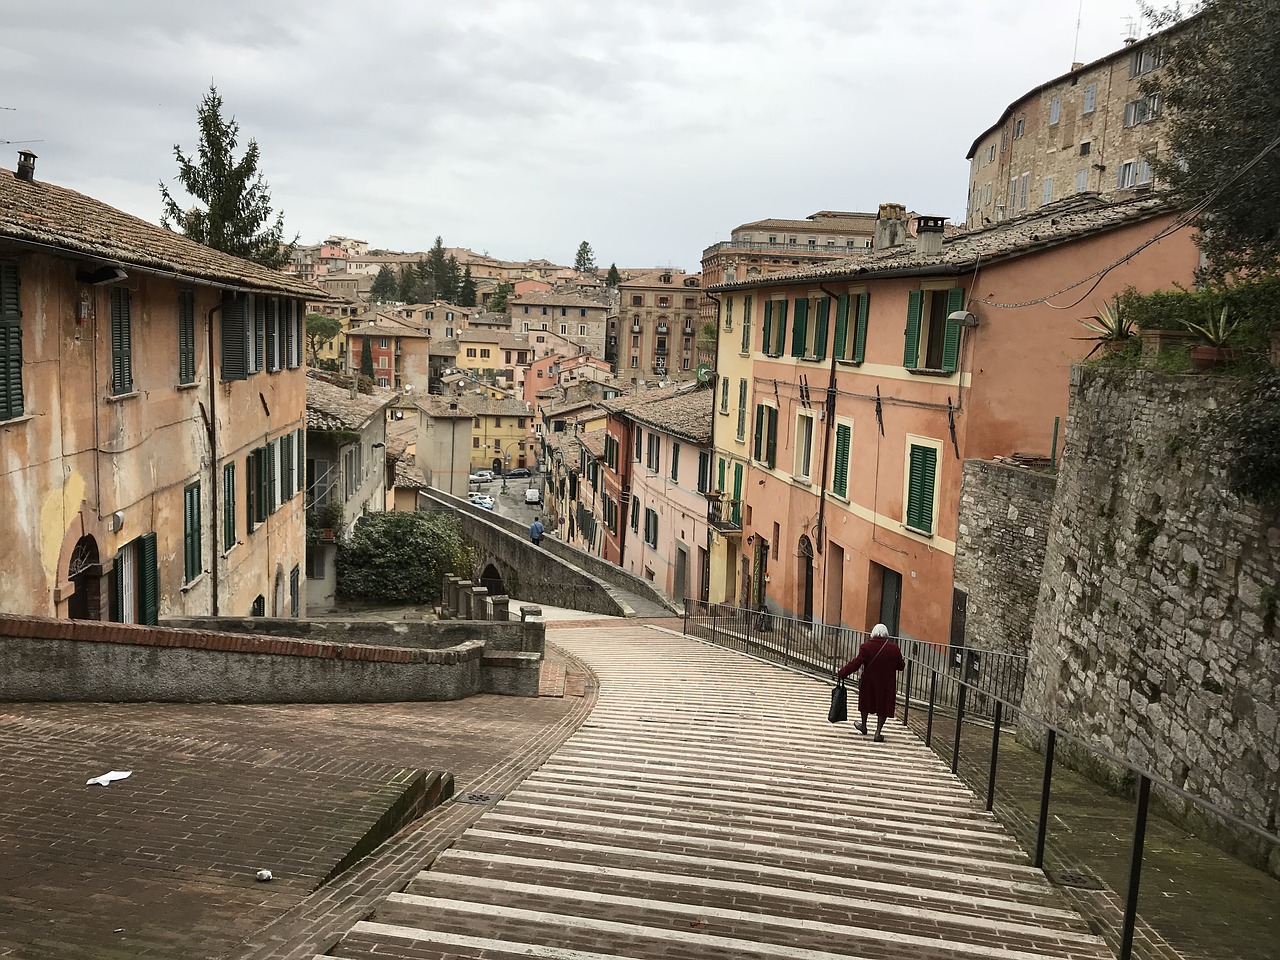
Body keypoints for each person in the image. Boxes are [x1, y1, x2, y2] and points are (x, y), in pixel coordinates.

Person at [836, 623, 905, 742]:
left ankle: (863, 725)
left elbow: (856, 663)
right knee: (883, 706)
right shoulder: (894, 648)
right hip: (887, 683)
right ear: (886, 634)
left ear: (873, 633)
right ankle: (878, 733)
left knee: (866, 702)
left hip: (869, 681)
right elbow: (901, 666)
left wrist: (843, 672)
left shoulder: (866, 646)